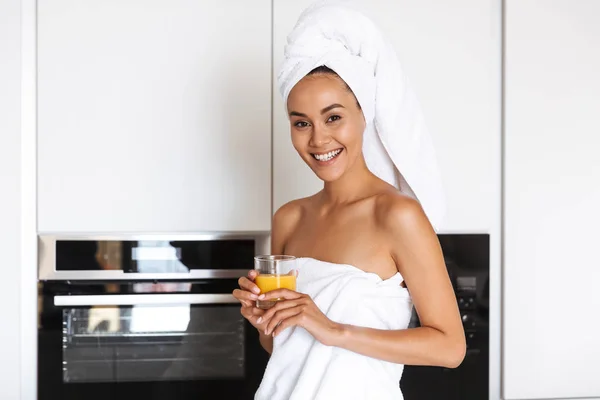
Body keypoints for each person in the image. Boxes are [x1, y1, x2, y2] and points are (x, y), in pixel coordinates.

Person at [233, 2, 465, 399]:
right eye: (301, 122)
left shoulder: (398, 215)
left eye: (333, 117)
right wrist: (264, 322)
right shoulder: (289, 218)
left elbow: (449, 347)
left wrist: (332, 329)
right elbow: (282, 348)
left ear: (364, 114)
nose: (318, 139)